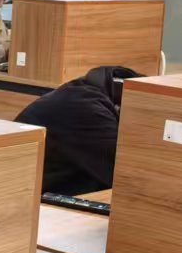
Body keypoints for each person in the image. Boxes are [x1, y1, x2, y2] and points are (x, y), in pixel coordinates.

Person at [14, 66, 139, 196]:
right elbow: (127, 173)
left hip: (49, 185)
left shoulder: (85, 90)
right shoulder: (87, 108)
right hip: (30, 197)